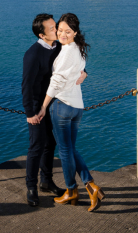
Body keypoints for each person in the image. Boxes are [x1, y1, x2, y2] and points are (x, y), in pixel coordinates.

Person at [37, 12, 104, 212]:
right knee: (71, 149)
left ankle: (74, 190)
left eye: (67, 31)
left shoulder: (65, 52)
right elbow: (81, 69)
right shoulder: (79, 49)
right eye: (60, 30)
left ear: (75, 32)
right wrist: (84, 74)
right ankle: (87, 187)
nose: (62, 34)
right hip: (77, 107)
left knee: (65, 151)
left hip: (62, 107)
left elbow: (56, 82)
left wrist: (43, 106)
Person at [21, 13, 86, 207]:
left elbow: (74, 62)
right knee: (36, 146)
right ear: (42, 35)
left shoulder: (60, 46)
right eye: (52, 28)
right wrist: (30, 113)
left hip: (54, 105)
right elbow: (26, 86)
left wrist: (84, 73)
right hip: (37, 107)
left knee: (51, 145)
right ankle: (31, 187)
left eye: (55, 26)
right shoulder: (32, 54)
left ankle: (46, 182)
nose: (57, 30)